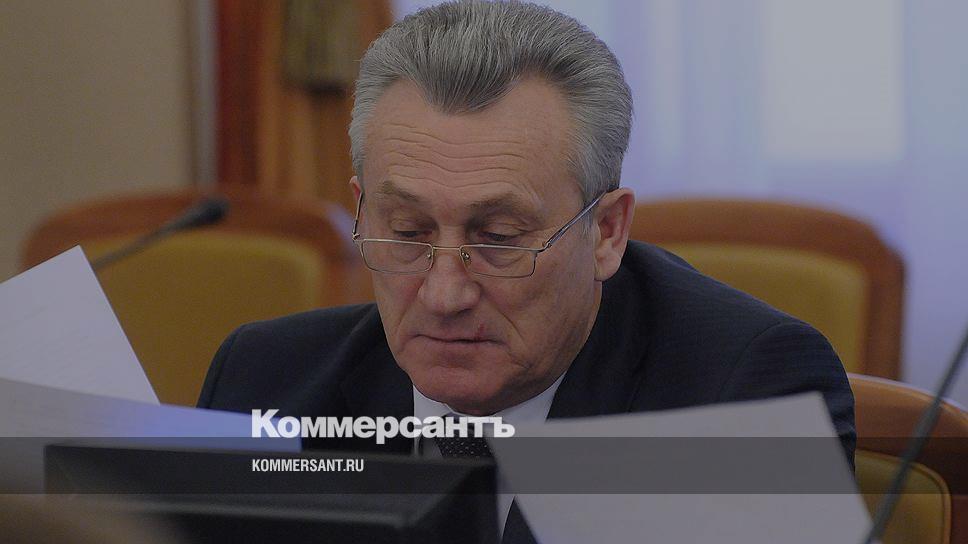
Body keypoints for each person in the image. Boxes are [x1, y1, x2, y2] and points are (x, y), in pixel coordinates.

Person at [199, 1, 854, 541]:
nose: (444, 293)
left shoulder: (742, 393)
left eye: (499, 240)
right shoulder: (267, 383)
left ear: (606, 232)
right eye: (407, 232)